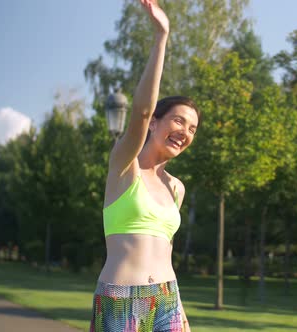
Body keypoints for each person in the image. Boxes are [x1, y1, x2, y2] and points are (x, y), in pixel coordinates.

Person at [90, 1, 199, 331]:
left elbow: (165, 252)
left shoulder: (175, 187)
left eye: (192, 128)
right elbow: (138, 111)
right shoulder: (124, 166)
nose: (184, 132)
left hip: (168, 297)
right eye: (178, 121)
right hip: (123, 298)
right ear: (154, 123)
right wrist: (161, 38)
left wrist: (180, 311)